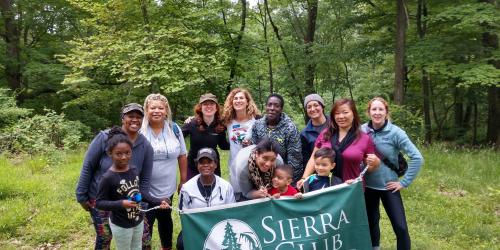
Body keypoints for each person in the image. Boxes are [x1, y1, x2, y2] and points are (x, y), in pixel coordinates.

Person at [76, 103, 154, 250]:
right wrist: (81, 196)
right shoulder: (104, 138)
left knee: (144, 239)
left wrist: (142, 201)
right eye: (131, 116)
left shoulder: (145, 145)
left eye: (139, 117)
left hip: (131, 202)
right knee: (105, 237)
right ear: (123, 118)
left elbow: (144, 179)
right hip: (102, 199)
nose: (135, 120)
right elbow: (88, 166)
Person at [361, 97, 424, 250]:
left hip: (389, 186)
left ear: (386, 112)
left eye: (380, 109)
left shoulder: (396, 132)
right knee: (371, 222)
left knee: (401, 227)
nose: (377, 112)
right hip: (367, 186)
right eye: (373, 109)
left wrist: (404, 182)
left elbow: (417, 158)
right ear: (369, 112)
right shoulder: (361, 130)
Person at [96, 127, 168, 250]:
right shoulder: (108, 178)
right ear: (110, 153)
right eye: (119, 154)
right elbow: (99, 203)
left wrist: (158, 200)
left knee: (137, 247)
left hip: (137, 220)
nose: (124, 157)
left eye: (127, 153)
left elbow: (139, 193)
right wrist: (121, 203)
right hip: (121, 225)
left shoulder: (133, 170)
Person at [297, 98, 379, 189]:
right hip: (326, 189)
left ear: (353, 114)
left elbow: (369, 168)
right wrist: (304, 178)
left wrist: (375, 163)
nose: (340, 116)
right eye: (337, 113)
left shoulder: (364, 138)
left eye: (345, 112)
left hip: (352, 189)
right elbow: (313, 158)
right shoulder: (325, 134)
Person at [140, 93, 188, 250]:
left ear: (166, 111)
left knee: (165, 218)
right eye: (152, 108)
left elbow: (182, 155)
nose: (156, 111)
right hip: (144, 189)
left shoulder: (174, 129)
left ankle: (166, 247)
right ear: (146, 110)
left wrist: (183, 179)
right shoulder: (139, 131)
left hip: (167, 188)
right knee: (145, 223)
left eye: (160, 108)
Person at [176, 148, 236, 250]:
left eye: (209, 162)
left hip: (220, 228)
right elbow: (183, 214)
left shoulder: (226, 187)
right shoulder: (186, 188)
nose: (205, 165)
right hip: (196, 228)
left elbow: (231, 212)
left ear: (216, 164)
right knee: (181, 243)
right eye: (202, 162)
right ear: (197, 165)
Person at [251, 93, 302, 184]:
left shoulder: (290, 128)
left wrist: (289, 183)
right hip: (261, 175)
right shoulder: (257, 125)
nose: (272, 108)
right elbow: (254, 151)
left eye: (276, 106)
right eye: (269, 105)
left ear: (281, 109)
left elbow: (295, 159)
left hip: (281, 177)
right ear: (266, 106)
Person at [221, 88, 261, 197]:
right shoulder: (227, 121)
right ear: (231, 102)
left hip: (254, 165)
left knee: (254, 196)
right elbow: (209, 122)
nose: (238, 100)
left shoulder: (257, 119)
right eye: (235, 98)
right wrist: (193, 119)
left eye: (241, 98)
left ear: (247, 101)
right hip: (235, 165)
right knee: (238, 197)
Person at [182, 93, 229, 180]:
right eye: (205, 104)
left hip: (212, 166)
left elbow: (223, 145)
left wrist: (239, 142)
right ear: (200, 107)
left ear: (216, 108)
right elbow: (177, 139)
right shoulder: (191, 123)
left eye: (212, 104)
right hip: (193, 165)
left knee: (213, 192)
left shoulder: (220, 125)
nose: (209, 106)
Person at [300, 94, 330, 171]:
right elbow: (307, 159)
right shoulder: (304, 134)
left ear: (322, 107)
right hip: (320, 173)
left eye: (316, 105)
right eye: (309, 107)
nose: (312, 109)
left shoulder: (334, 123)